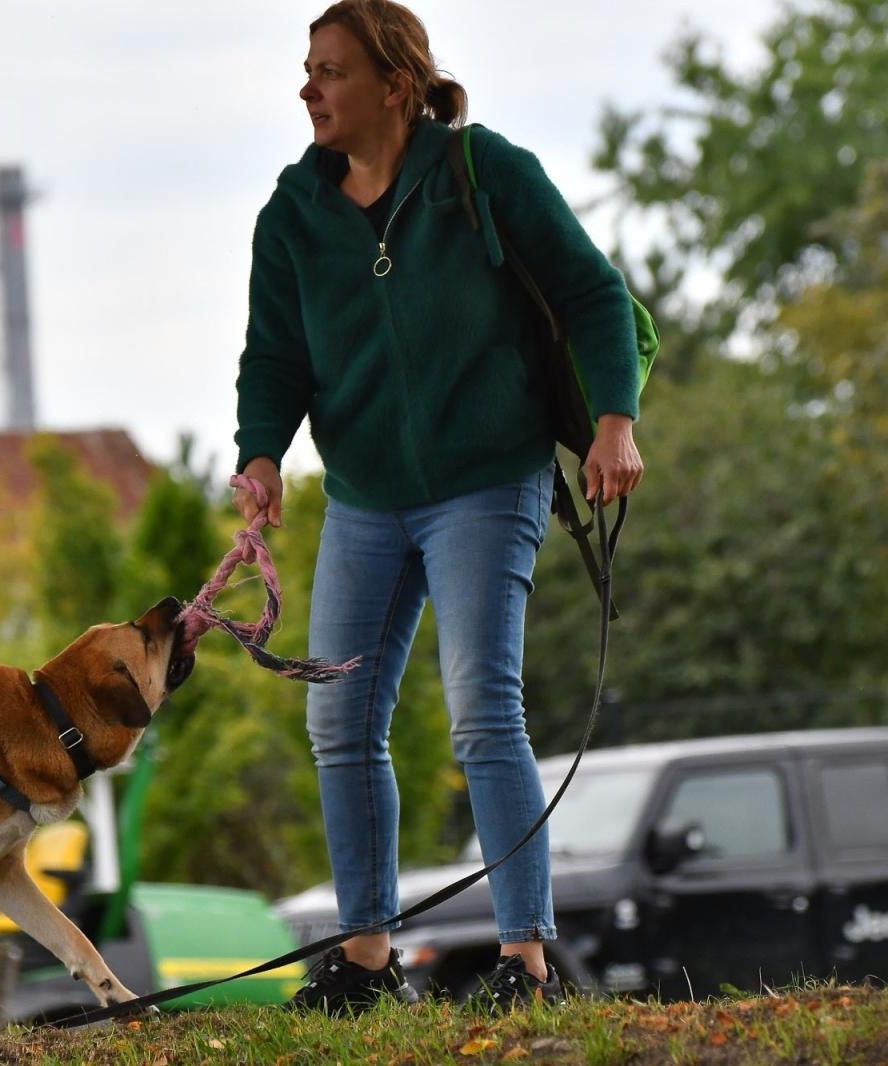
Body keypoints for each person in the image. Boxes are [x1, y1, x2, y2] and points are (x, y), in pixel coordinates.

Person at [232, 0, 645, 1013]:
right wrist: (259, 455)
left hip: (485, 480)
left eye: (329, 70)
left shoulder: (482, 171)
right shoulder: (293, 213)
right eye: (306, 68)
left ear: (394, 83)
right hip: (367, 497)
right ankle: (366, 961)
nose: (308, 88)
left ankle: (525, 963)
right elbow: (275, 357)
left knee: (480, 710)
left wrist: (612, 420)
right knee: (338, 717)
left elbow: (592, 296)